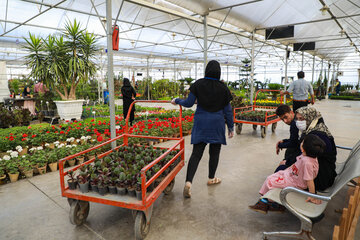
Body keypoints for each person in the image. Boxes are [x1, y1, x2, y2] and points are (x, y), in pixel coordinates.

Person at [171, 60, 234, 198]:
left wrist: (177, 100)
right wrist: (231, 127)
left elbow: (188, 103)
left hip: (201, 121)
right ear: (219, 72)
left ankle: (188, 182)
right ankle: (211, 178)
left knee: (196, 153)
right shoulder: (223, 88)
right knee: (215, 152)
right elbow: (228, 110)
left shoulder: (198, 84)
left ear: (206, 70)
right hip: (217, 122)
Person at [249, 134, 326, 214]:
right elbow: (297, 165)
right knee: (275, 175)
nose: (301, 142)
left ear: (303, 149)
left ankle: (264, 203)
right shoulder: (308, 156)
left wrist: (312, 196)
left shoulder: (307, 163)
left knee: (270, 180)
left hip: (295, 183)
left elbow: (309, 180)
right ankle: (272, 203)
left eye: (302, 142)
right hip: (291, 175)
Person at [294, 106, 337, 191]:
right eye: (297, 119)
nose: (299, 122)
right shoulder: (316, 127)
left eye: (302, 119)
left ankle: (272, 201)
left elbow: (306, 156)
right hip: (322, 171)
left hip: (320, 178)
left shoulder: (317, 135)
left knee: (283, 172)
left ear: (310, 118)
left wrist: (289, 162)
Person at [275, 104, 301, 172]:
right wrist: (284, 141)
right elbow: (295, 139)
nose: (285, 121)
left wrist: (280, 145)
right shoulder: (296, 120)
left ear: (292, 113)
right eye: (282, 119)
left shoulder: (295, 124)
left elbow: (293, 143)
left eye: (286, 117)